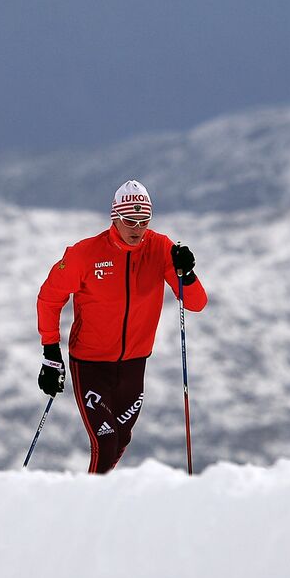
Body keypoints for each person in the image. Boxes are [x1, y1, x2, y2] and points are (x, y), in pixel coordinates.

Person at [36, 180, 207, 473]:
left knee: (120, 441)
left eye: (144, 220)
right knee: (105, 442)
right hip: (91, 363)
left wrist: (187, 273)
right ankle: (90, 509)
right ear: (115, 217)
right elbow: (49, 298)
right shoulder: (84, 254)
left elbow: (196, 303)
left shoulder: (160, 248)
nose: (137, 228)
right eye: (130, 220)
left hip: (133, 363)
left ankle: (97, 500)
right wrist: (51, 353)